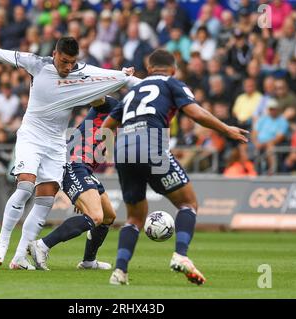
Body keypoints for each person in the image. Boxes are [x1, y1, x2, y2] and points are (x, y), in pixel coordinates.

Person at [0, 34, 138, 270]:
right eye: (64, 61)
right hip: (31, 137)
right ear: (54, 54)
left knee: (44, 201)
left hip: (55, 145)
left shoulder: (81, 71)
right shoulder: (36, 64)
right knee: (25, 187)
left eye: (71, 62)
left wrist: (153, 83)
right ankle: (2, 242)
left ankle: (20, 256)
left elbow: (121, 78)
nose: (67, 67)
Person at [100, 50, 248, 285]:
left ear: (149, 70)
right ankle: (180, 255)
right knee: (188, 203)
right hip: (151, 146)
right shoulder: (172, 83)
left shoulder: (131, 93)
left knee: (135, 218)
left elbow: (105, 129)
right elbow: (195, 113)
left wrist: (108, 156)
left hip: (123, 150)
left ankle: (120, 272)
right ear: (174, 69)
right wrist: (226, 129)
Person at [28, 96, 122, 271]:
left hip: (85, 169)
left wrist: (87, 191)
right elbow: (97, 98)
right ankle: (42, 245)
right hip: (73, 163)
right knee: (96, 216)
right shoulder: (113, 105)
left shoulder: (122, 122)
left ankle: (88, 262)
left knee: (108, 216)